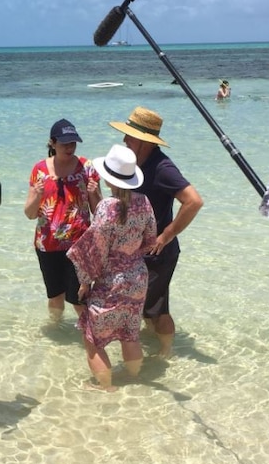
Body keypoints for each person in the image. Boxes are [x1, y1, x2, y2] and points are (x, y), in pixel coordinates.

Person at [109, 107, 203, 358]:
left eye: (129, 136)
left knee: (157, 308)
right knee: (147, 306)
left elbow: (193, 201)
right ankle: (154, 344)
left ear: (143, 141)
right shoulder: (137, 162)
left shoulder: (162, 167)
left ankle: (165, 352)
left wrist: (166, 235)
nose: (124, 140)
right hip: (140, 253)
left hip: (158, 254)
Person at [67, 145, 157, 391]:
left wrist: (84, 281)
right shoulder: (144, 201)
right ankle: (134, 379)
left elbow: (96, 247)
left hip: (112, 280)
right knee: (130, 332)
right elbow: (151, 239)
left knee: (92, 338)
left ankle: (106, 388)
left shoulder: (107, 206)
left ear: (109, 177)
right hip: (138, 276)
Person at [24, 118, 101, 322]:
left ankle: (90, 338)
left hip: (79, 245)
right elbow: (30, 214)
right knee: (55, 296)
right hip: (47, 245)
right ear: (52, 143)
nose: (70, 147)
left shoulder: (87, 167)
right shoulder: (39, 170)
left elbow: (99, 212)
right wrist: (38, 195)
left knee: (79, 298)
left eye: (73, 143)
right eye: (65, 143)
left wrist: (94, 194)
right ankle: (56, 336)